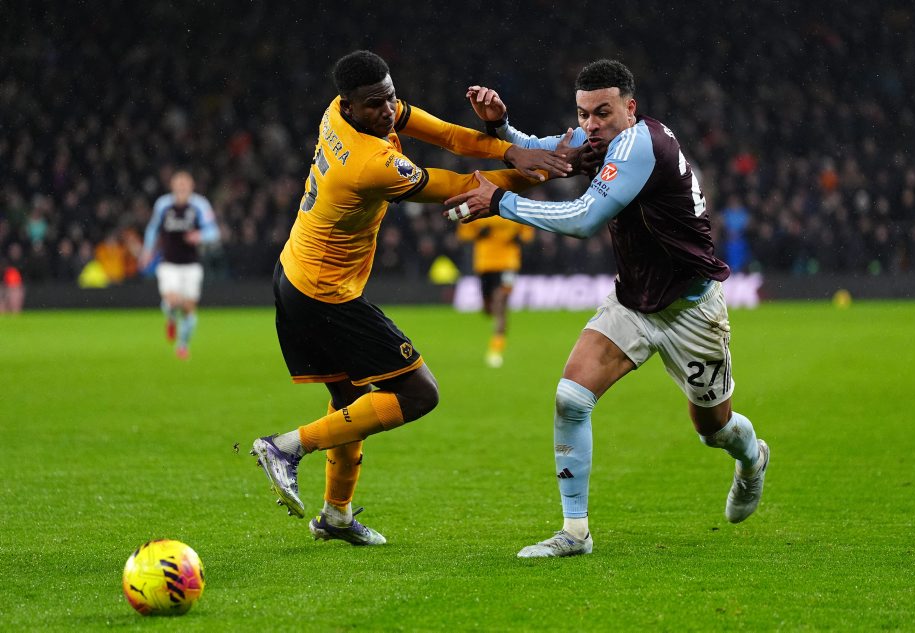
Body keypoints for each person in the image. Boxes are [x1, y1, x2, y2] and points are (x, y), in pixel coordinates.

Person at [445, 59, 769, 558]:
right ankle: (575, 533)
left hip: (690, 309)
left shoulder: (641, 145)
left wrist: (501, 202)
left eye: (603, 112)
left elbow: (584, 218)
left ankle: (752, 459)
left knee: (714, 429)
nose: (591, 124)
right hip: (632, 302)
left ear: (629, 108)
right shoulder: (599, 139)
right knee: (571, 398)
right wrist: (501, 127)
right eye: (583, 114)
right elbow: (547, 151)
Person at [249, 50, 572, 546]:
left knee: (349, 404)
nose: (388, 110)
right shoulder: (369, 164)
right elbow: (460, 187)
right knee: (420, 393)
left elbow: (447, 134)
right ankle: (287, 447)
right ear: (350, 106)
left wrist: (512, 151)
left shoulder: (338, 112)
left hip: (295, 272)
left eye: (391, 98)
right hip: (324, 294)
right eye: (375, 105)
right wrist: (542, 169)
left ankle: (336, 516)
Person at [139, 170, 220, 360]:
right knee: (173, 300)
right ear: (172, 186)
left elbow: (214, 232)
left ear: (191, 186)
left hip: (191, 265)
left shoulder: (200, 205)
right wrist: (147, 251)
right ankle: (170, 316)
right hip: (168, 263)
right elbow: (153, 229)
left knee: (189, 308)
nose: (182, 186)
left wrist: (199, 236)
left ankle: (182, 345)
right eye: (179, 183)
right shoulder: (163, 205)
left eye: (185, 183)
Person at [456, 215, 534, 367]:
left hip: (508, 263)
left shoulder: (513, 207)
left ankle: (496, 349)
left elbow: (527, 233)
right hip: (485, 263)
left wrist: (518, 238)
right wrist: (479, 233)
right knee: (488, 309)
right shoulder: (479, 209)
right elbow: (463, 234)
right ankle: (496, 324)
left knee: (500, 302)